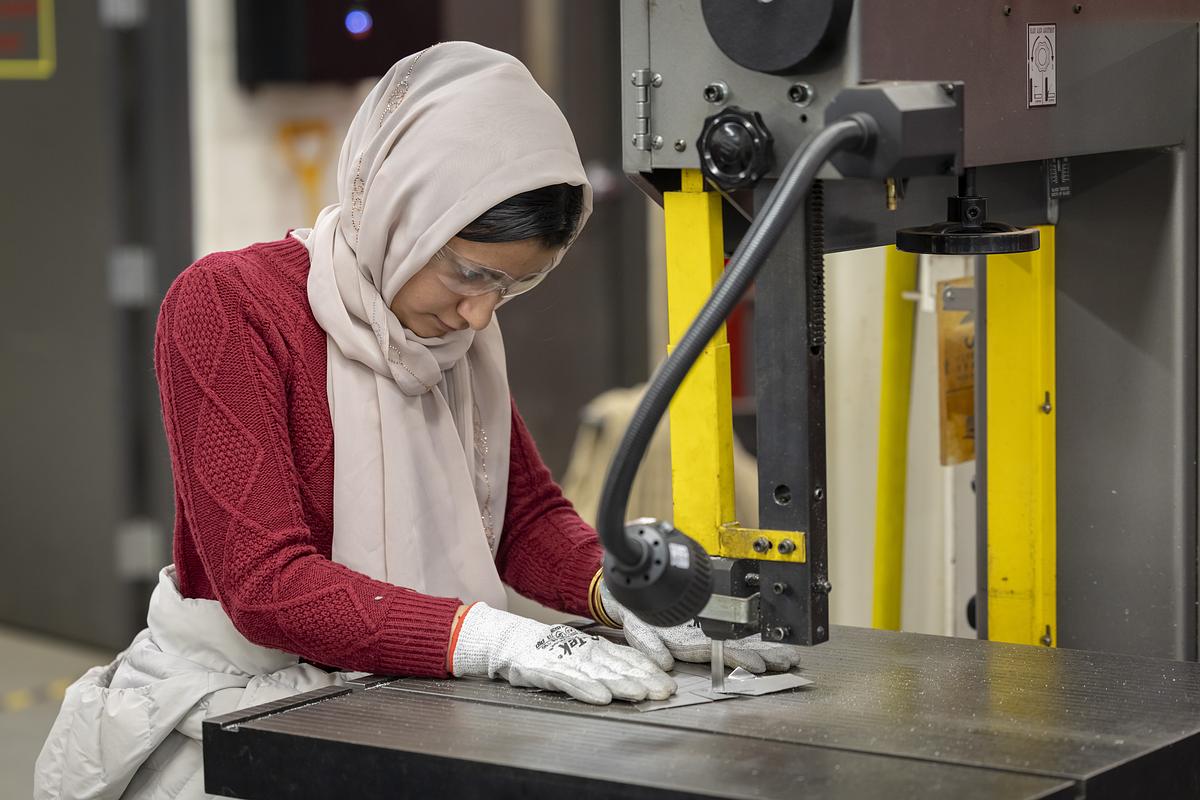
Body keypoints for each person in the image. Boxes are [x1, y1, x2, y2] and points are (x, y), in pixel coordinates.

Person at [34, 43, 800, 800]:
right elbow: (266, 584)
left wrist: (618, 593)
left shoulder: (454, 331)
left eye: (512, 286)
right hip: (250, 715)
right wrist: (494, 638)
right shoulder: (227, 307)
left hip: (412, 700)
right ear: (404, 207)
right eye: (468, 272)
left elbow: (523, 518)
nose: (479, 311)